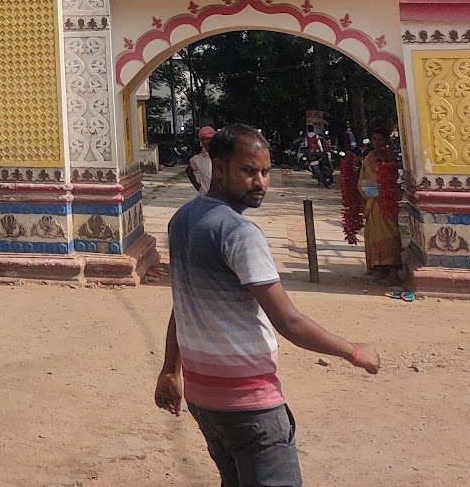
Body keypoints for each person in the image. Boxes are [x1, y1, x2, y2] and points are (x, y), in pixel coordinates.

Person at [156, 123, 380, 486]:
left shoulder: (183, 219)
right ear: (218, 165)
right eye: (247, 171)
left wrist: (171, 369)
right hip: (249, 403)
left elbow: (182, 302)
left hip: (204, 398)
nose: (260, 182)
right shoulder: (239, 233)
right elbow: (289, 322)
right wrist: (355, 351)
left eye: (265, 172)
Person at [358, 125, 404, 284]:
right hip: (372, 202)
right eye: (374, 139)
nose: (377, 142)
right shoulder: (369, 158)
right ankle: (378, 269)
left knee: (390, 233)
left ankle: (392, 271)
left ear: (386, 140)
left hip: (387, 201)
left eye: (380, 139)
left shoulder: (391, 158)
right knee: (373, 234)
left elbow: (397, 179)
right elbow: (363, 179)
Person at [187, 126, 216, 193]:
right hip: (205, 196)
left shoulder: (222, 156)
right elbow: (189, 171)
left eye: (208, 139)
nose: (206, 142)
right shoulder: (198, 159)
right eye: (203, 139)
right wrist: (197, 187)